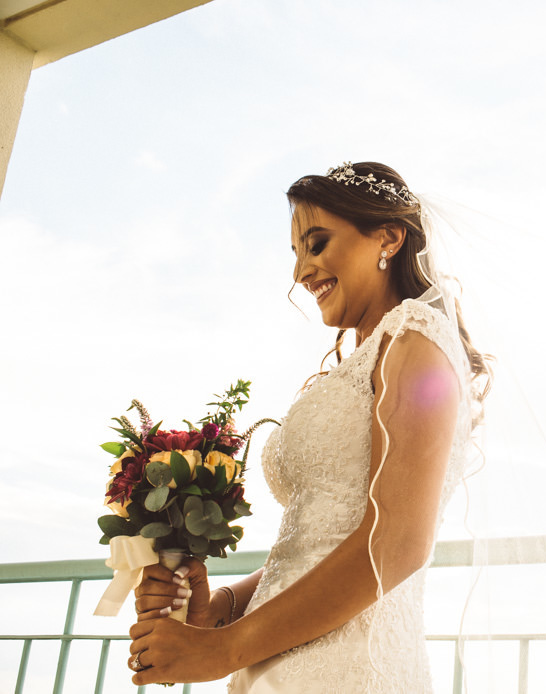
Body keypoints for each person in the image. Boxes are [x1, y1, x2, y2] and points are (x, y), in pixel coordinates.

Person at [127, 161, 491, 692]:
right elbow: (315, 543)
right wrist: (221, 610)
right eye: (296, 254)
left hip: (347, 668)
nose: (301, 271)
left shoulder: (416, 342)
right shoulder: (370, 357)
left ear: (387, 237)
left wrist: (224, 650)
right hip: (279, 661)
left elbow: (397, 542)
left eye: (316, 245)